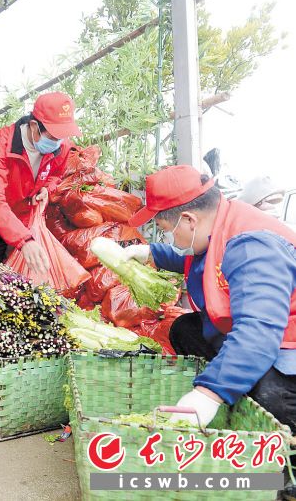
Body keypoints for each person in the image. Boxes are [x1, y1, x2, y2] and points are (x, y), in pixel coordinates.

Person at [121, 165, 296, 432]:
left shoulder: (254, 247)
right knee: (184, 330)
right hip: (262, 333)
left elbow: (258, 333)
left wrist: (208, 394)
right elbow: (194, 257)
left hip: (283, 343)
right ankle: (234, 381)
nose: (168, 238)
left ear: (189, 220)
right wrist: (149, 253)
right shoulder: (218, 223)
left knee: (269, 393)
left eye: (165, 230)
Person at [0, 92, 81, 273]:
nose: (58, 142)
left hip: (26, 222)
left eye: (62, 136)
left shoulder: (62, 147)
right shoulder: (1, 145)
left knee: (23, 287)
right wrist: (23, 240)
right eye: (54, 136)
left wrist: (48, 187)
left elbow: (56, 174)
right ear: (34, 126)